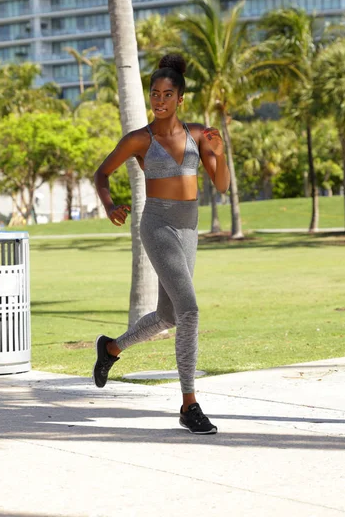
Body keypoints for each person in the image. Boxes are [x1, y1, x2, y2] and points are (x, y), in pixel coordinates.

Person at [93, 54, 230, 435]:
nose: (160, 100)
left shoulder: (200, 135)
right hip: (156, 224)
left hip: (189, 228)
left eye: (168, 94)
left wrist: (219, 154)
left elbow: (221, 185)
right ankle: (189, 404)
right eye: (155, 93)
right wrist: (109, 206)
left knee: (169, 315)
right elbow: (102, 172)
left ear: (180, 98)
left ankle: (111, 349)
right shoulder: (140, 139)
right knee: (190, 310)